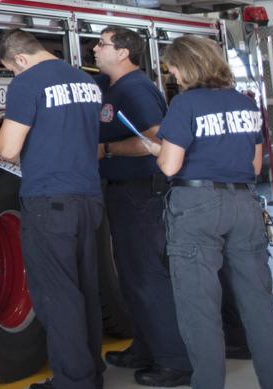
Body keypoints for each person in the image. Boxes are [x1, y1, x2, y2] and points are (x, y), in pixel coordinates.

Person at [151, 35, 273, 389]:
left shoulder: (185, 104)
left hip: (196, 206)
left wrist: (158, 150)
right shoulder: (245, 103)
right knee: (259, 305)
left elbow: (169, 166)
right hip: (244, 204)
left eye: (173, 68)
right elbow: (255, 165)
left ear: (186, 66)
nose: (172, 75)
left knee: (199, 309)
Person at [0, 30, 105, 389]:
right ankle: (92, 374)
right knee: (85, 289)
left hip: (49, 203)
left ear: (20, 59)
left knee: (58, 295)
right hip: (89, 198)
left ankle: (74, 382)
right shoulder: (86, 81)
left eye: (11, 69)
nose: (14, 74)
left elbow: (9, 149)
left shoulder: (27, 83)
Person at [93, 26, 191, 387]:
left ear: (123, 52)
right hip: (123, 192)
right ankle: (146, 348)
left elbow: (157, 140)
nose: (94, 49)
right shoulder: (111, 86)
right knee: (132, 276)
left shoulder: (136, 88)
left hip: (141, 192)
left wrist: (107, 150)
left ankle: (175, 361)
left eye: (102, 44)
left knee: (147, 275)